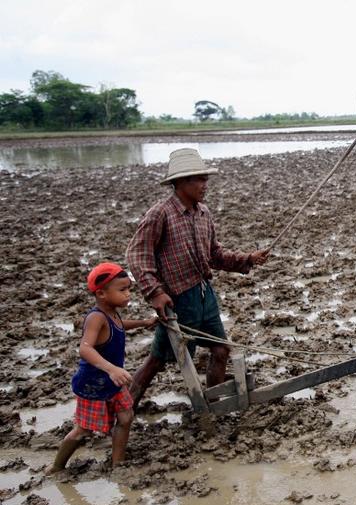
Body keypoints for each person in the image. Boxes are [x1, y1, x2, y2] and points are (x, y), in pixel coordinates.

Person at [126, 148, 269, 408]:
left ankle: (215, 403)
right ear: (180, 182)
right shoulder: (160, 214)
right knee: (157, 360)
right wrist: (154, 292)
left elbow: (214, 254)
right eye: (198, 180)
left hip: (205, 295)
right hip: (179, 301)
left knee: (221, 350)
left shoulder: (203, 213)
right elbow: (137, 254)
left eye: (206, 179)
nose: (205, 185)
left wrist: (247, 258)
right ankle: (122, 409)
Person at [48, 263, 158, 473]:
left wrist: (144, 323)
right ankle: (56, 467)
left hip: (113, 382)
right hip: (94, 383)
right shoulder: (96, 317)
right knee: (83, 431)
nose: (128, 295)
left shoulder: (112, 313)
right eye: (122, 290)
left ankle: (118, 464)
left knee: (126, 418)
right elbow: (85, 349)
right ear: (101, 293)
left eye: (128, 289)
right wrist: (111, 369)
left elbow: (119, 325)